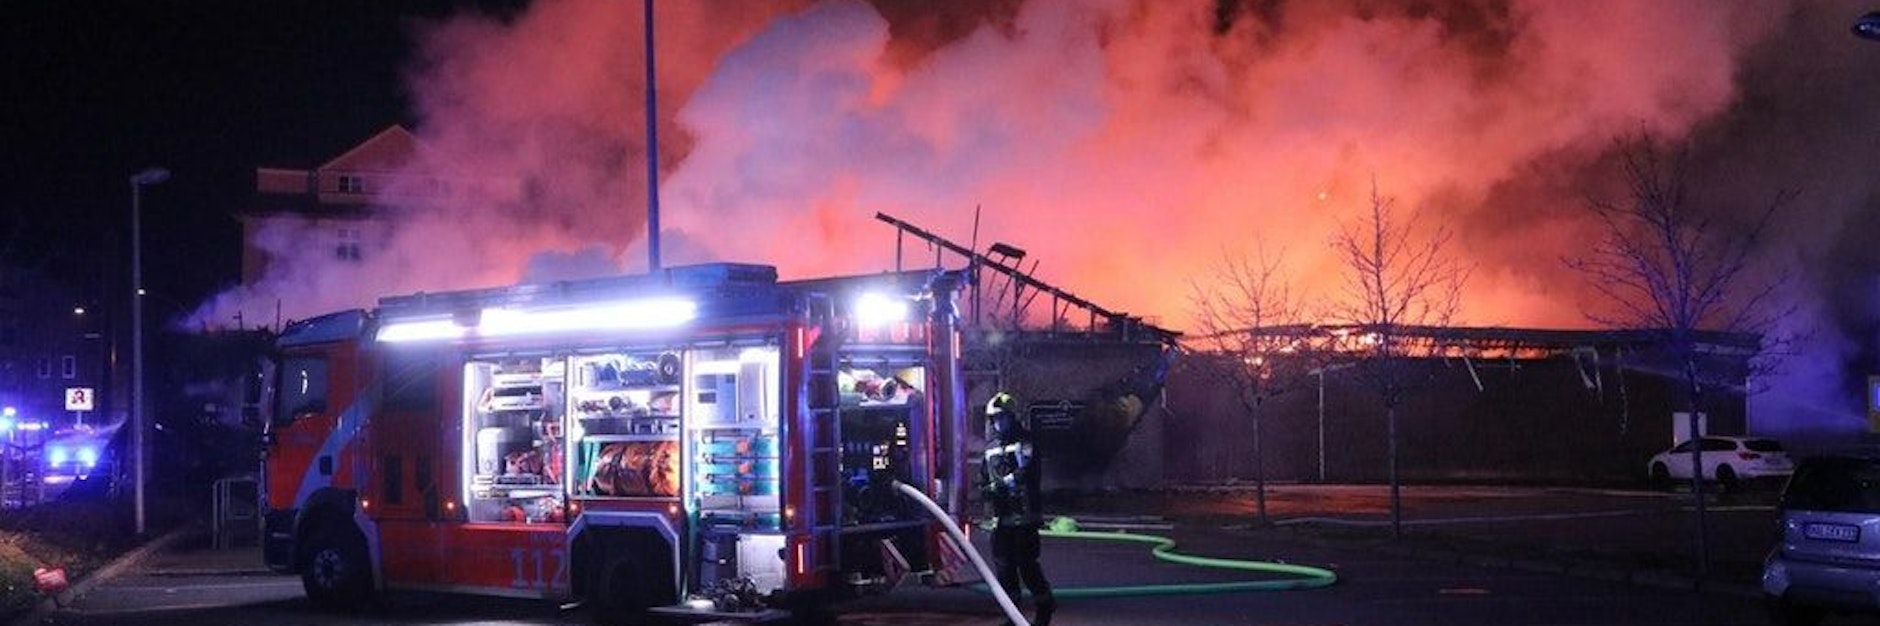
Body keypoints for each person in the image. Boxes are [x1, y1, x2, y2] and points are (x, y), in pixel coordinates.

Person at [982, 392, 1055, 626]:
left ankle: (1044, 610)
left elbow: (1025, 473)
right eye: (994, 419)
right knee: (1004, 569)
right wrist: (985, 490)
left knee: (1027, 567)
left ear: (1012, 417)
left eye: (1002, 418)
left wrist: (1000, 486)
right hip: (1001, 519)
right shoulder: (990, 447)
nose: (998, 423)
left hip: (1025, 518)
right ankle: (1012, 617)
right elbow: (986, 476)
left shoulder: (1025, 441)